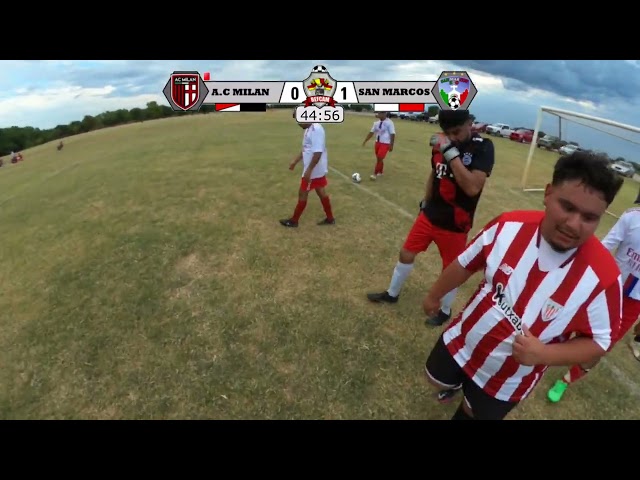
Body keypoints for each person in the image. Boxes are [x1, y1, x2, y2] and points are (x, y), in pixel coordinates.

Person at [421, 151, 624, 420]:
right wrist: (434, 295)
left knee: (471, 414)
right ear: (548, 193)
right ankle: (457, 385)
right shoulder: (508, 226)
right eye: (567, 207)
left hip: (508, 380)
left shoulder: (604, 278)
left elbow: (600, 341)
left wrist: (544, 354)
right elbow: (465, 263)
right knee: (435, 379)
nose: (574, 224)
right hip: (462, 340)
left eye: (589, 218)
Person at [366, 110, 495, 327]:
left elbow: (472, 187)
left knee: (451, 270)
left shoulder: (482, 147)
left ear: (470, 123)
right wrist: (425, 202)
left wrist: (450, 152)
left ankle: (444, 310)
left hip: (456, 222)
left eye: (457, 131)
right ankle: (392, 293)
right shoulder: (441, 141)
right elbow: (434, 173)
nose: (453, 137)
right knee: (406, 252)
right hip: (430, 214)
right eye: (448, 133)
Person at [547, 203, 640, 402]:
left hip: (634, 302)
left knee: (602, 345)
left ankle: (565, 380)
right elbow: (606, 245)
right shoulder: (633, 217)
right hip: (608, 288)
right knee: (570, 321)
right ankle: (546, 353)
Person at [280, 110, 335, 228]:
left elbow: (317, 153)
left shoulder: (316, 129)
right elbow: (306, 149)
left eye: (299, 119)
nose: (298, 123)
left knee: (302, 193)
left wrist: (309, 171)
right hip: (314, 169)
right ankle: (330, 218)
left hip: (313, 169)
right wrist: (295, 161)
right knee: (321, 192)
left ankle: (294, 221)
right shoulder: (308, 130)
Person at [362, 112, 396, 180]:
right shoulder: (376, 123)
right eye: (378, 113)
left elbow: (392, 134)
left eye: (380, 113)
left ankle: (375, 174)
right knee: (379, 158)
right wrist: (365, 140)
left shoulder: (389, 123)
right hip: (378, 143)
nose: (378, 114)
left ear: (384, 114)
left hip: (385, 143)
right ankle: (380, 171)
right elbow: (371, 132)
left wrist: (391, 145)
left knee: (380, 157)